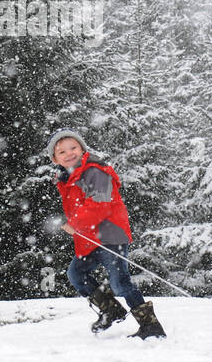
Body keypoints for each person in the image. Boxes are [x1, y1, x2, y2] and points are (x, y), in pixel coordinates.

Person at [47, 129, 166, 339]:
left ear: (82, 149)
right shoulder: (67, 179)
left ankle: (151, 327)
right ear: (55, 159)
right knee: (76, 274)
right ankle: (110, 310)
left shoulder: (94, 171)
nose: (69, 153)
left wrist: (74, 223)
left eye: (73, 148)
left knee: (120, 283)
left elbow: (100, 204)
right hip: (90, 237)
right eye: (62, 152)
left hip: (110, 236)